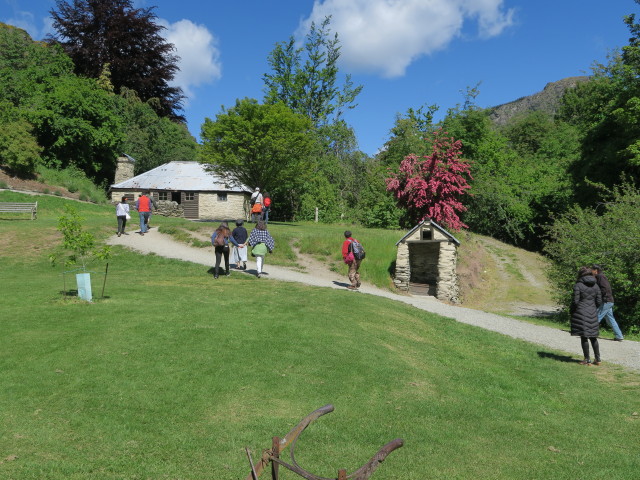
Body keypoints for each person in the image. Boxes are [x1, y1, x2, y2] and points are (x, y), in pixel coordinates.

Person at [570, 266, 603, 366]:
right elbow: (599, 301)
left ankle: (587, 359)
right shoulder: (596, 286)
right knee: (593, 337)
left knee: (584, 336)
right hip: (592, 312)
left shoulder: (578, 285)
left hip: (581, 312)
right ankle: (598, 360)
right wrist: (592, 308)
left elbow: (575, 301)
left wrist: (572, 311)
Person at [591, 264, 624, 341]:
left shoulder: (600, 277)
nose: (591, 271)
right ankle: (619, 336)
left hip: (606, 301)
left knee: (596, 316)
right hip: (609, 301)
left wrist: (599, 297)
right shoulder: (599, 277)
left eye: (592, 269)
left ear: (596, 270)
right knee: (610, 319)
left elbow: (605, 289)